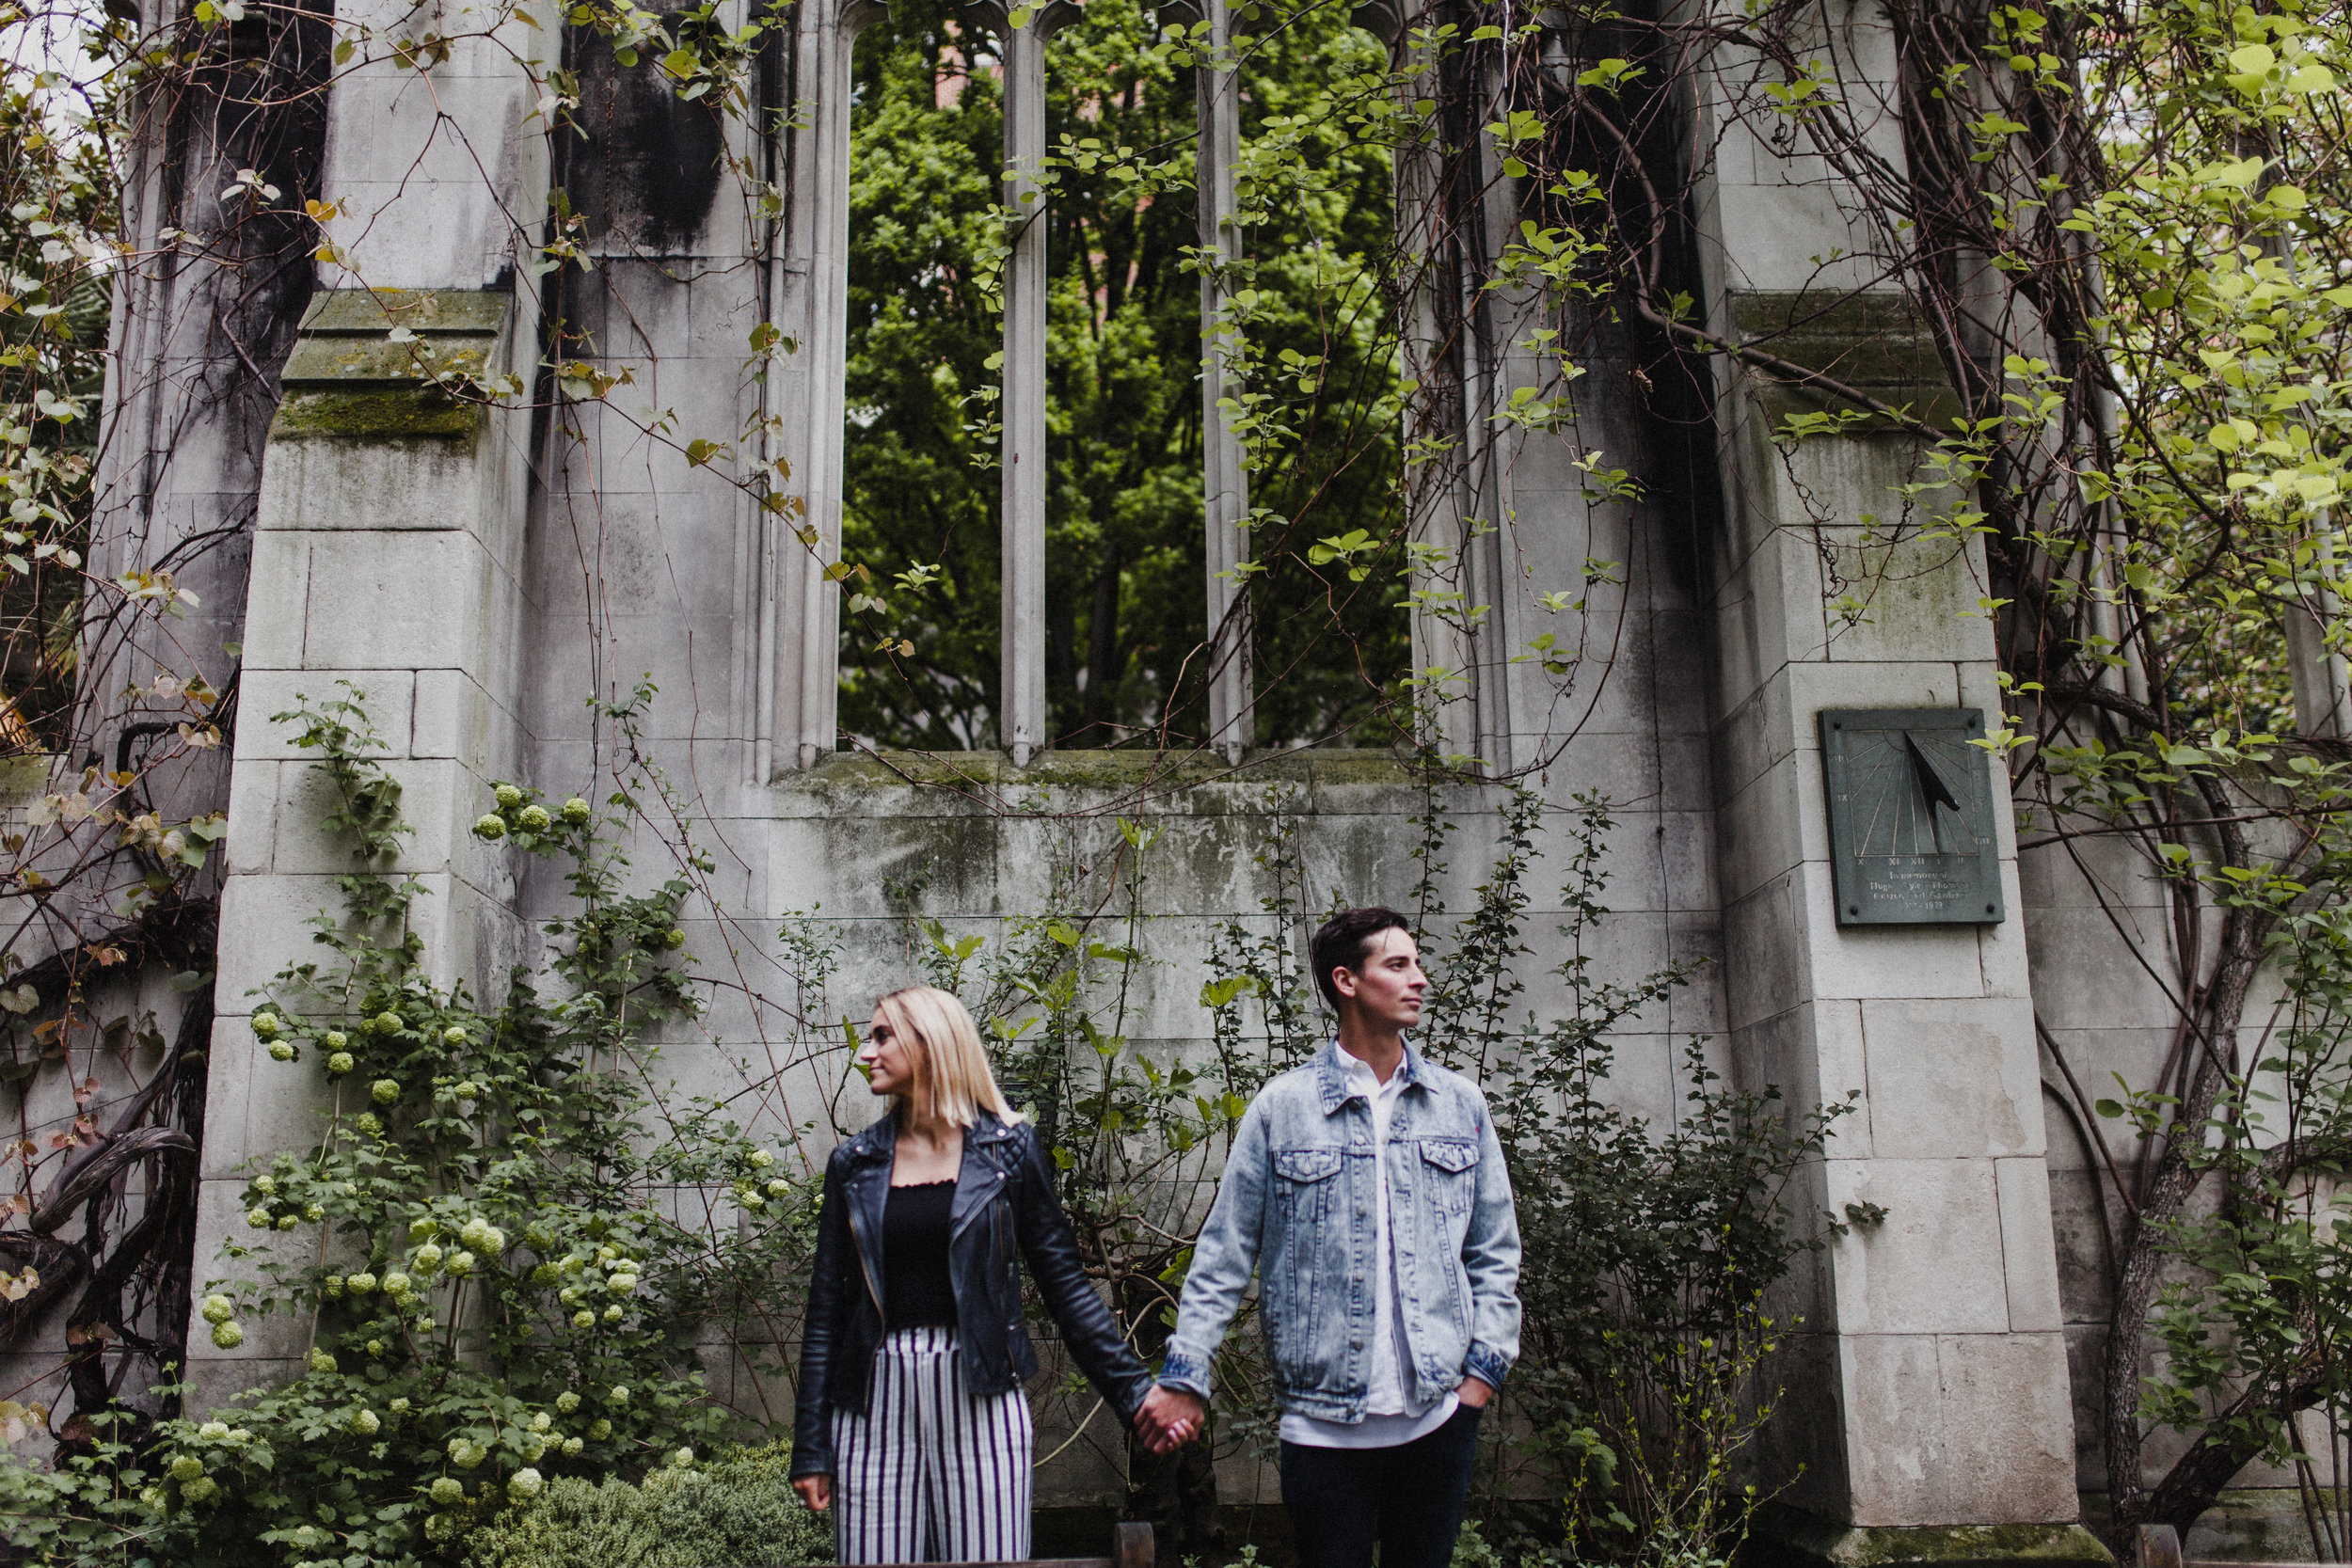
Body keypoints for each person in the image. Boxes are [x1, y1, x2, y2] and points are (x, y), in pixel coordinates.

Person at [1134, 907, 1522, 1568]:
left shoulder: (1461, 1104)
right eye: (1398, 964)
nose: (1419, 979)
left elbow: (1495, 1252)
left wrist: (1481, 1377)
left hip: (1437, 1417)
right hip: (1321, 1427)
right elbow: (1223, 1255)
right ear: (1346, 979)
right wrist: (1186, 1374)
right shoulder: (1283, 1108)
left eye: (1417, 963)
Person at [791, 986, 1156, 1563]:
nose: (867, 1052)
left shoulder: (1008, 1151)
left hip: (981, 1388)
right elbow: (825, 1315)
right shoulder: (853, 1164)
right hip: (872, 1398)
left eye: (883, 1035)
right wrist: (811, 1445)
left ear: (932, 1043)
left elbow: (1064, 1287)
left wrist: (1135, 1392)